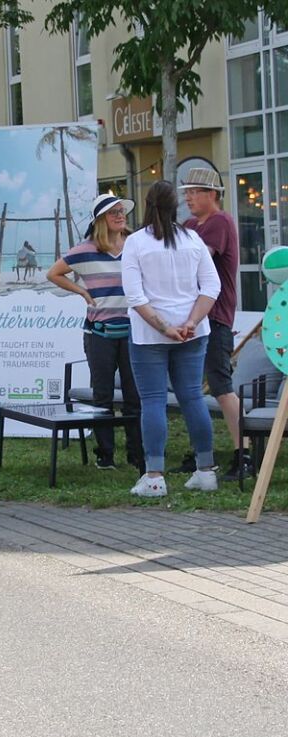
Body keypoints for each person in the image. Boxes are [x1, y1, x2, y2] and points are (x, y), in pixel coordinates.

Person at [121, 180, 222, 498]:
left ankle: (154, 476)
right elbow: (211, 287)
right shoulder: (193, 239)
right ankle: (206, 471)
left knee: (153, 400)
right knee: (192, 396)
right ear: (174, 206)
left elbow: (134, 295)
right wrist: (191, 321)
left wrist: (164, 327)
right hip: (193, 332)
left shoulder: (136, 242)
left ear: (148, 204)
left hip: (150, 334)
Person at [47, 194, 144, 471]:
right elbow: (53, 273)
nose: (120, 216)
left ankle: (137, 454)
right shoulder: (85, 249)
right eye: (113, 212)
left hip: (133, 330)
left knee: (133, 395)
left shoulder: (135, 245)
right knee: (102, 395)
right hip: (99, 332)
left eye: (121, 211)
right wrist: (82, 292)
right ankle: (106, 455)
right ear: (100, 219)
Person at [181, 168, 248, 480]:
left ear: (212, 194)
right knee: (191, 389)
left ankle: (243, 453)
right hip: (192, 318)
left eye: (194, 191)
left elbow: (194, 260)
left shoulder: (219, 221)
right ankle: (200, 453)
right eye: (186, 192)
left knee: (221, 387)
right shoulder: (192, 224)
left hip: (215, 318)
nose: (188, 197)